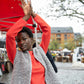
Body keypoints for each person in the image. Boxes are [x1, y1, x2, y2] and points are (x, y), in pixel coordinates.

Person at [6, 0, 60, 84]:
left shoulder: (40, 51)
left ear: (31, 39)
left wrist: (33, 14)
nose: (21, 43)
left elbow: (47, 29)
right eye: (18, 40)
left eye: (24, 39)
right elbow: (9, 35)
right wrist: (26, 17)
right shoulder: (16, 55)